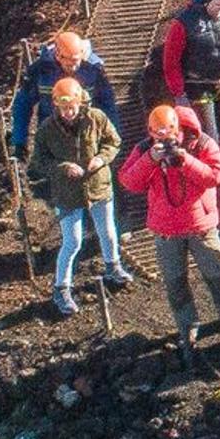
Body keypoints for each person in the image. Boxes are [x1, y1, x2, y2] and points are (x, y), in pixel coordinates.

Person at [124, 102, 220, 356]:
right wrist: (150, 160)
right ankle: (187, 331)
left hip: (200, 226)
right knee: (176, 285)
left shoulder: (200, 143)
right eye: (157, 134)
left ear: (177, 128)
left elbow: (215, 176)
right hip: (166, 230)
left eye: (168, 134)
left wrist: (185, 161)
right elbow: (129, 181)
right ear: (150, 131)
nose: (163, 139)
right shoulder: (145, 149)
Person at [23, 74, 131, 315]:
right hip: (67, 194)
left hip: (99, 187)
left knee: (109, 233)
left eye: (72, 107)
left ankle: (113, 267)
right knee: (72, 242)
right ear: (56, 106)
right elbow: (37, 164)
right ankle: (61, 288)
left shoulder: (97, 118)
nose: (68, 112)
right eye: (63, 108)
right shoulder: (46, 130)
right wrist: (63, 168)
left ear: (81, 102)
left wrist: (101, 159)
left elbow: (114, 142)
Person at [8, 30, 119, 160]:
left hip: (86, 133)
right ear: (58, 56)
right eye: (68, 64)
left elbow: (107, 103)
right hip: (52, 134)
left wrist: (112, 137)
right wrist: (19, 142)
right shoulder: (41, 70)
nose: (73, 68)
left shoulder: (93, 69)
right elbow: (23, 104)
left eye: (76, 63)